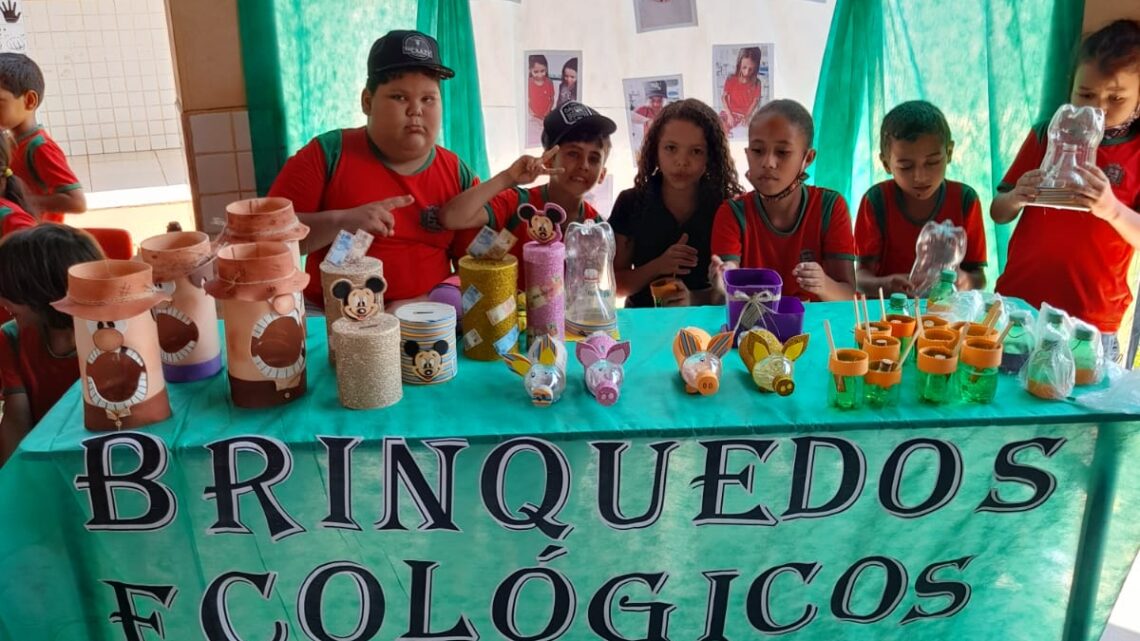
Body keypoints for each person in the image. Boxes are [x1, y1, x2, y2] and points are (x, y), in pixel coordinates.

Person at [267, 30, 479, 311]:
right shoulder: (327, 154)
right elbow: (268, 242)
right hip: (327, 315)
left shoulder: (458, 173)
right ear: (367, 102)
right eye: (400, 97)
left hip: (426, 321)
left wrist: (421, 304)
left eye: (428, 99)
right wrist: (341, 221)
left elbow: (478, 269)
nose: (415, 110)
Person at [991, 19, 1140, 361]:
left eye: (1116, 98)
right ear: (1069, 86)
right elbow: (999, 212)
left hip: (1090, 319)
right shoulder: (1047, 135)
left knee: (1074, 411)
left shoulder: (1136, 154)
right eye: (1085, 94)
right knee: (1008, 400)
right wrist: (1016, 197)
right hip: (1019, 304)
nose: (1097, 108)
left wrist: (1113, 209)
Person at [440, 100, 615, 288]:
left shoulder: (596, 228)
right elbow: (450, 218)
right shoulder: (517, 204)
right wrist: (508, 177)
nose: (584, 165)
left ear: (602, 174)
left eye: (594, 158)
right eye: (573, 154)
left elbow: (594, 294)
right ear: (548, 161)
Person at [710, 99, 857, 302]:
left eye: (782, 152)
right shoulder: (732, 213)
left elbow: (848, 295)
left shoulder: (830, 207)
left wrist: (824, 284)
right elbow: (727, 280)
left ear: (808, 159)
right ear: (747, 153)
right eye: (757, 151)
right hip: (752, 329)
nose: (768, 162)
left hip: (815, 329)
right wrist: (723, 283)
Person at [611, 99, 744, 307]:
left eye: (696, 151)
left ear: (711, 157)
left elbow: (736, 290)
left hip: (705, 326)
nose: (682, 161)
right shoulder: (630, 202)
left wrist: (692, 299)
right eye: (671, 148)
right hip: (643, 323)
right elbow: (616, 285)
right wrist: (659, 266)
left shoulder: (726, 207)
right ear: (655, 150)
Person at [855, 100, 987, 295]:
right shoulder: (876, 201)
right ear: (886, 164)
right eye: (906, 166)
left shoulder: (965, 200)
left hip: (945, 313)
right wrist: (887, 284)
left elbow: (979, 278)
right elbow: (860, 277)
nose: (920, 176)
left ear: (949, 153)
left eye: (932, 162)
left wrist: (964, 281)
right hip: (889, 313)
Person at [0, 224, 104, 466]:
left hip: (105, 458)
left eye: (8, 291)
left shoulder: (115, 336)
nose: (1, 300)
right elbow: (17, 421)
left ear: (44, 290)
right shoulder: (11, 340)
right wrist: (10, 483)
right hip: (46, 462)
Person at [0, 53, 86, 223]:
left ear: (30, 100)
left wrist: (23, 201)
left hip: (35, 241)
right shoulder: (9, 141)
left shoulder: (40, 147)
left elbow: (77, 202)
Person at [719, 47, 764, 137]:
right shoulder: (731, 79)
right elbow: (723, 97)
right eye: (744, 67)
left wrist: (747, 116)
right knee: (716, 122)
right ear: (739, 64)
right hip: (729, 112)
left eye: (751, 69)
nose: (747, 72)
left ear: (756, 68)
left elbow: (755, 101)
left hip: (743, 115)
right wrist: (729, 114)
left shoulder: (757, 83)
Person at [527, 54, 555, 146]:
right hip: (533, 117)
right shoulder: (528, 83)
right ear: (530, 70)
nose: (540, 75)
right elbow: (526, 100)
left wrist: (547, 111)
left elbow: (551, 99)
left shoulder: (549, 82)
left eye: (542, 71)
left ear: (546, 69)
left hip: (546, 115)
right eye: (536, 72)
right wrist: (531, 112)